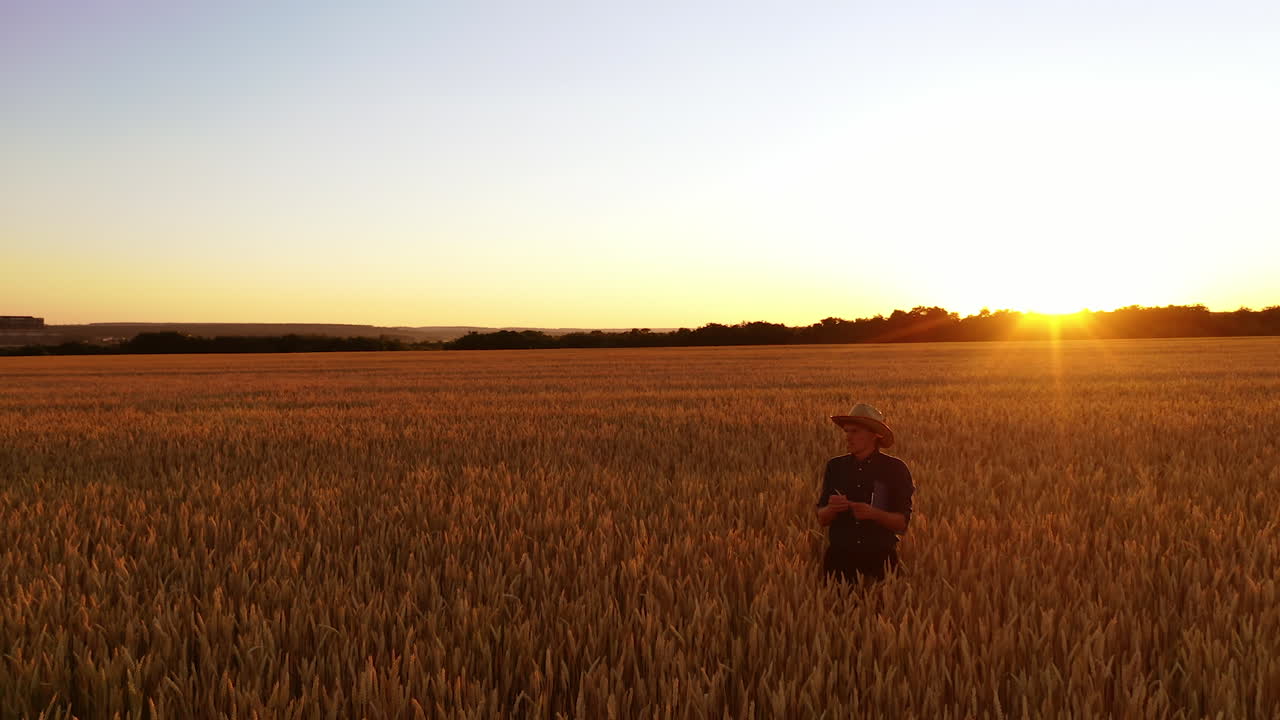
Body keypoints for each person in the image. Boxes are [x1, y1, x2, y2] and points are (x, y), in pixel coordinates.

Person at [815, 403, 914, 584]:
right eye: (847, 432)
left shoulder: (895, 469)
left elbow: (902, 524)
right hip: (839, 562)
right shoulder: (835, 467)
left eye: (855, 432)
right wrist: (832, 509)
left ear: (875, 435)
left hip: (880, 563)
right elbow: (822, 519)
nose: (848, 437)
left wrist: (874, 514)